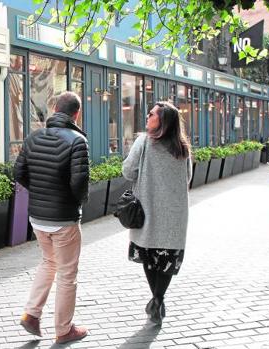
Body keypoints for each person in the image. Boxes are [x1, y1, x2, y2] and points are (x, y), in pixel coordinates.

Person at [14, 91, 90, 344]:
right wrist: (76, 203)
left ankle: (32, 314)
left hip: (37, 217)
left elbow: (19, 172)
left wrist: (39, 192)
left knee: (49, 263)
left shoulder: (33, 137)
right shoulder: (77, 140)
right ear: (76, 113)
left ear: (55, 109)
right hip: (63, 219)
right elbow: (79, 182)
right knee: (67, 274)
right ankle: (64, 329)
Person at [122, 101, 192, 325]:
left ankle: (156, 300)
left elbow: (128, 171)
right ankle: (158, 300)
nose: (147, 116)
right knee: (167, 260)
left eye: (152, 114)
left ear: (162, 121)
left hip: (148, 211)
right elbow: (188, 178)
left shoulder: (144, 142)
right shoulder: (182, 148)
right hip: (175, 214)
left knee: (149, 256)